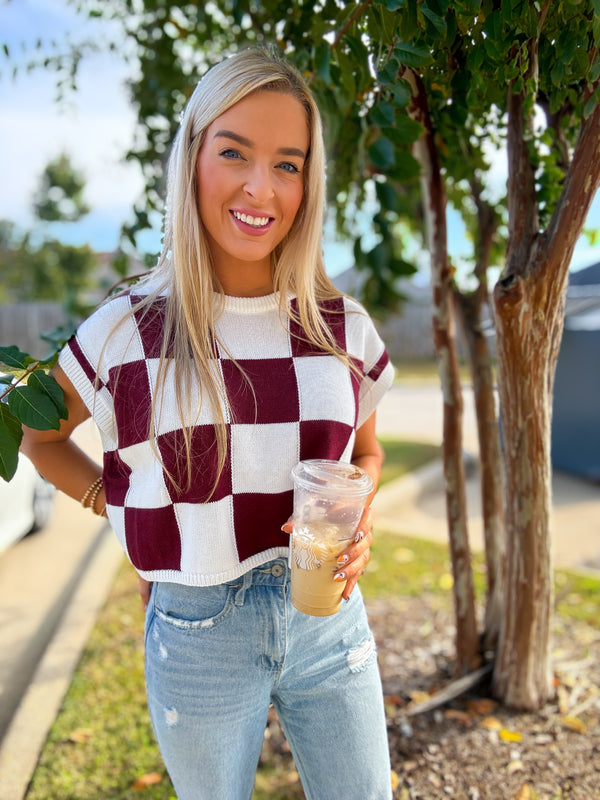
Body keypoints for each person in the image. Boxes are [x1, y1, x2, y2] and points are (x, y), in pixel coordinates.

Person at [21, 47, 395, 800]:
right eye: (234, 153)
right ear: (192, 156)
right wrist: (127, 514)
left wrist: (356, 517)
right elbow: (40, 438)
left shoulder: (340, 326)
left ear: (308, 182)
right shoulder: (127, 329)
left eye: (288, 164)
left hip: (328, 621)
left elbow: (366, 452)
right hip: (197, 630)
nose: (262, 187)